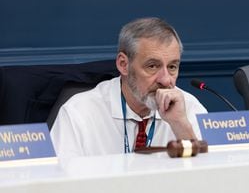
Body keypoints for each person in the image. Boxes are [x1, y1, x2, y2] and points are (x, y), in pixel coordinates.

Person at [51, 17, 207, 157]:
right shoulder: (79, 113)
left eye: (172, 67)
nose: (166, 80)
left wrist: (180, 125)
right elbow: (57, 182)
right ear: (123, 64)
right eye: (152, 66)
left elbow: (211, 182)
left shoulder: (190, 109)